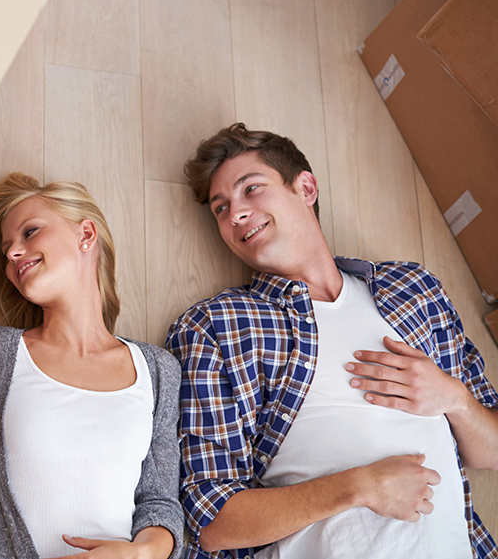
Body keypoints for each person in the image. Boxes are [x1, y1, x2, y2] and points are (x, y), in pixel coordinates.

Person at [166, 124, 498, 559]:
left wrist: (454, 398)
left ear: (305, 187)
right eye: (221, 208)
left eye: (251, 189)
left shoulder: (415, 290)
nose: (235, 215)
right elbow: (211, 524)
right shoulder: (217, 326)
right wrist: (358, 487)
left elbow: (490, 453)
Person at [0, 172, 184, 559]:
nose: (13, 253)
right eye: (6, 250)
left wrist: (141, 553)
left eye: (30, 233)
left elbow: (160, 502)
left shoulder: (158, 372)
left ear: (86, 234)